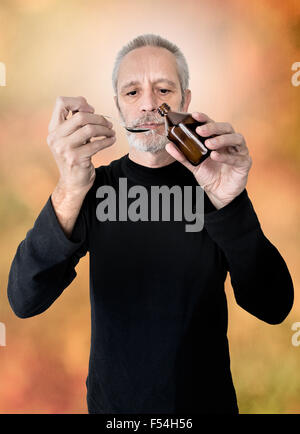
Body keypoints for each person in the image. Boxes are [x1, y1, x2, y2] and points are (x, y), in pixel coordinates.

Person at [7, 34, 294, 414]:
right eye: (132, 92)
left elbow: (273, 306)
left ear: (185, 102)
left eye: (163, 89)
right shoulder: (94, 188)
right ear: (117, 107)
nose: (149, 104)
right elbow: (25, 299)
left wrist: (230, 203)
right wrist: (69, 187)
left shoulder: (216, 184)